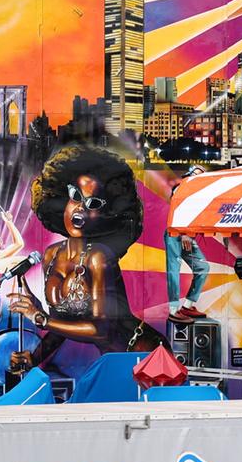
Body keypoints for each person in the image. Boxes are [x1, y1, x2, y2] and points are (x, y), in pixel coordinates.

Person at [8, 147, 143, 366]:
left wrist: (40, 317)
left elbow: (101, 332)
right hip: (112, 362)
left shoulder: (99, 258)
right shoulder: (52, 255)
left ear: (106, 215)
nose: (81, 207)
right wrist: (34, 358)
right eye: (75, 196)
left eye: (93, 203)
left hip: (139, 356)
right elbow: (61, 326)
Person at [163, 231, 210, 321]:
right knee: (174, 270)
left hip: (190, 234)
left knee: (203, 267)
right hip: (175, 233)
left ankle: (187, 306)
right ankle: (173, 310)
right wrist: (184, 232)